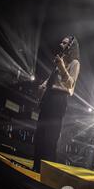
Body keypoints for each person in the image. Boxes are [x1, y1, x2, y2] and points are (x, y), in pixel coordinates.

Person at [33, 36, 80, 172]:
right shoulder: (60, 60)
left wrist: (61, 66)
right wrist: (42, 85)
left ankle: (47, 172)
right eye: (61, 42)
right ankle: (36, 167)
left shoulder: (75, 63)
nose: (61, 44)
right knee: (39, 134)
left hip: (59, 99)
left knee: (50, 137)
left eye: (64, 43)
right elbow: (51, 79)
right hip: (48, 98)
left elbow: (71, 84)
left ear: (71, 46)